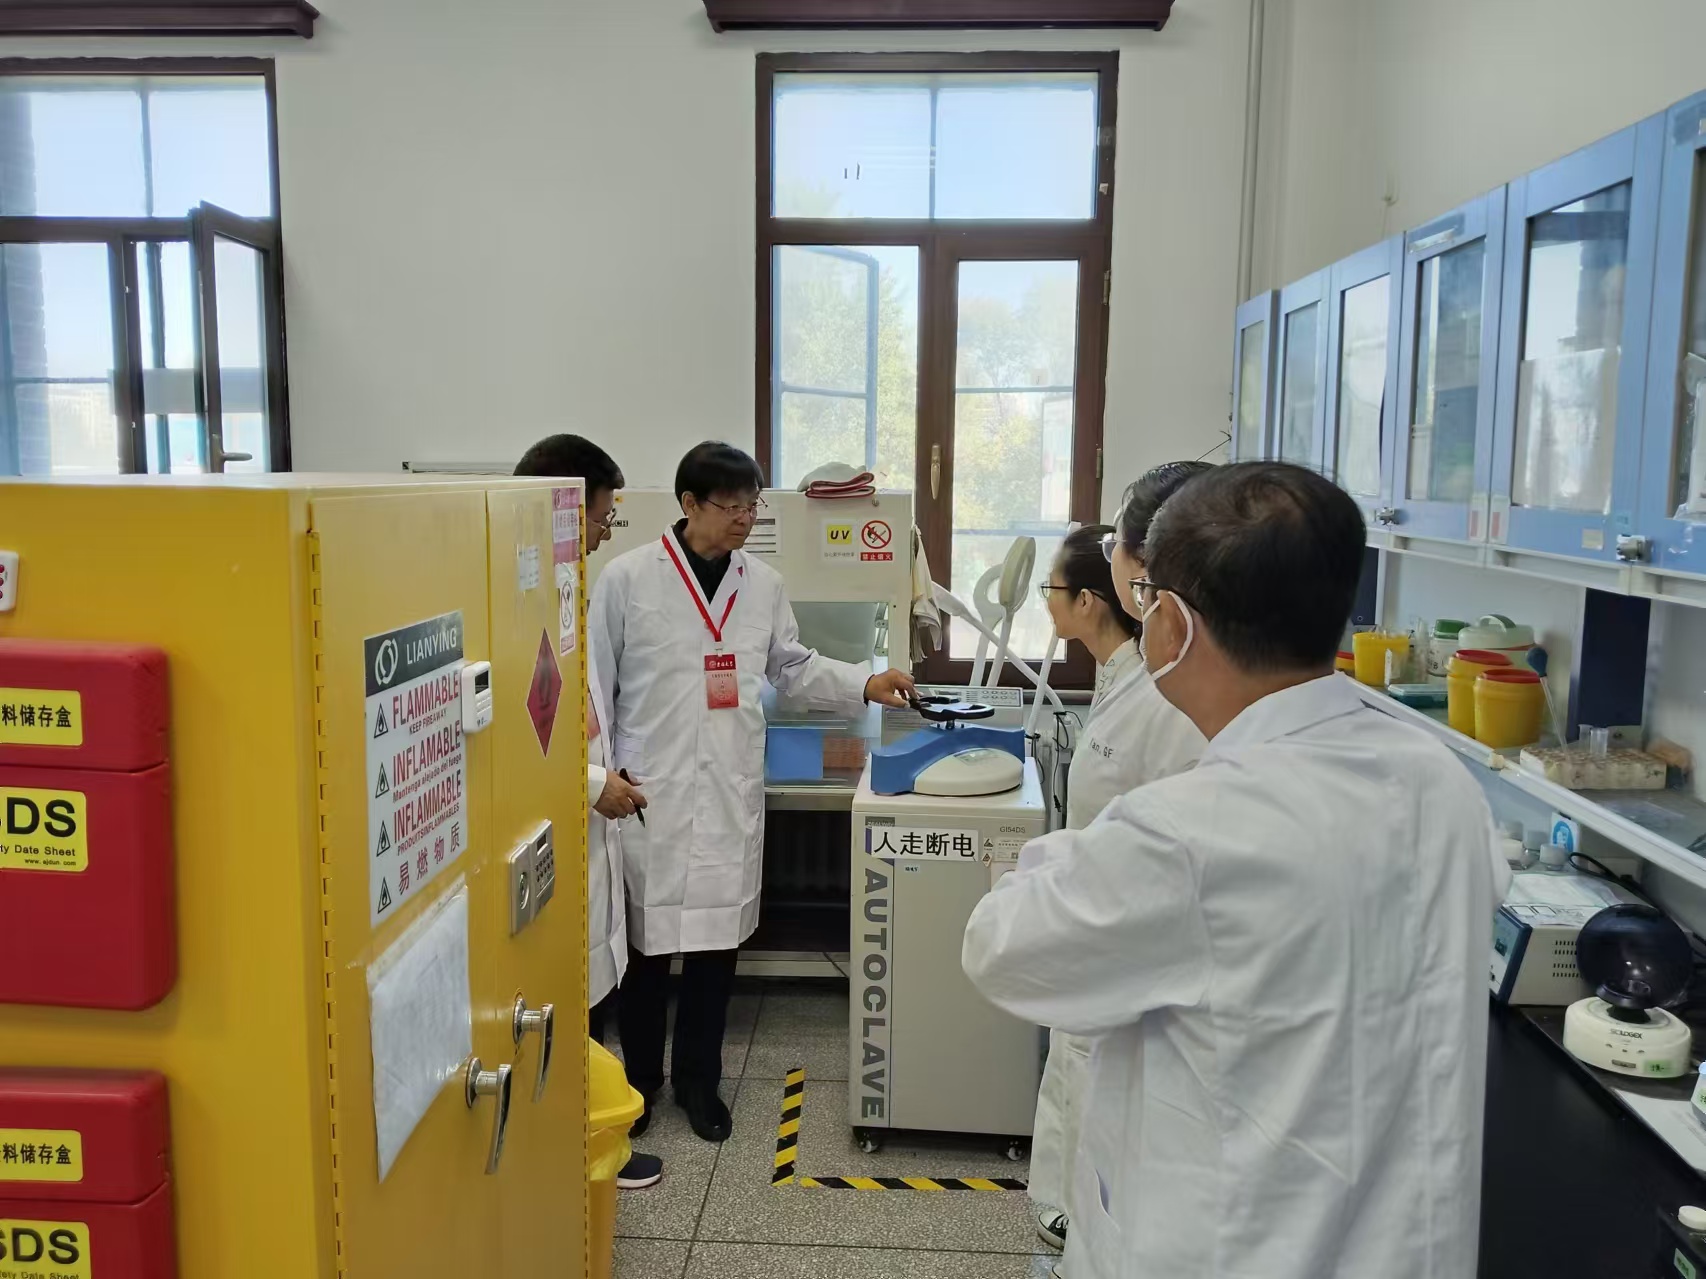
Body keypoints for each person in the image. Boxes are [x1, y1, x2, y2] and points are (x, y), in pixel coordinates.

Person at [964, 462, 1508, 1279]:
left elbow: (1002, 946)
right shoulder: (1439, 782)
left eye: (1147, 598)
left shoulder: (1190, 830)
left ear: (1174, 625)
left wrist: (1066, 848)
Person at [590, 441, 915, 1143]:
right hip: (649, 792)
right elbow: (596, 688)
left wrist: (864, 681)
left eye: (752, 505)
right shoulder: (626, 579)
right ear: (689, 504)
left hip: (728, 791)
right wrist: (600, 776)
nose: (745, 518)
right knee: (643, 954)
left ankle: (699, 1085)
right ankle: (638, 1084)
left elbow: (792, 667)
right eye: (731, 506)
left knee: (715, 952)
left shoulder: (761, 584)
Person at [1027, 473, 1208, 1259]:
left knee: (1104, 1150)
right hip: (1101, 945)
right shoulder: (1128, 679)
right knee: (1078, 1111)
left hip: (1131, 963)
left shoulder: (1167, 698)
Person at [514, 433, 661, 1191]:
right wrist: (592, 781)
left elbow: (581, 711)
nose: (607, 530)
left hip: (588, 817)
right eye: (603, 515)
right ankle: (576, 1155)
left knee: (588, 993)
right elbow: (520, 734)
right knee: (564, 998)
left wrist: (606, 773)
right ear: (566, 508)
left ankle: (593, 1141)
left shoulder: (565, 585)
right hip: (552, 829)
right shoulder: (514, 593)